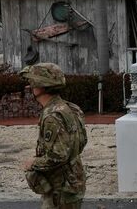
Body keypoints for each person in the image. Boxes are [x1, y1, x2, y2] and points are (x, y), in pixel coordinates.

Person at [20, 63, 88, 209]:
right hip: (72, 181)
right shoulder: (70, 108)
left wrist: (33, 163)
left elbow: (58, 156)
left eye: (32, 82)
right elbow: (81, 142)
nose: (30, 86)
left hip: (61, 189)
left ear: (41, 85)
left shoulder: (52, 116)